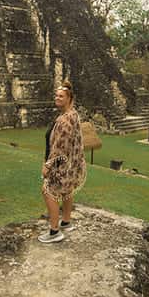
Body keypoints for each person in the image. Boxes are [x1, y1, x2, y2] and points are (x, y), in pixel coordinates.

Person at [39, 81, 86, 243]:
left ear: (69, 98)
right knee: (67, 190)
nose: (57, 98)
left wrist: (48, 165)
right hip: (71, 165)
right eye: (56, 95)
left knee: (47, 191)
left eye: (61, 96)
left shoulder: (65, 120)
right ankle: (66, 221)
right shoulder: (73, 114)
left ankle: (54, 231)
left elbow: (60, 147)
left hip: (61, 164)